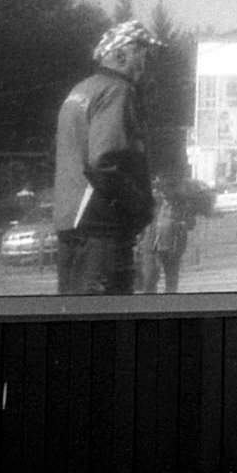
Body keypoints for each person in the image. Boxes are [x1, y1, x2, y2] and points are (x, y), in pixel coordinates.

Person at [52, 20, 160, 297]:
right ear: (120, 54)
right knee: (106, 319)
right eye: (142, 53)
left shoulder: (80, 91)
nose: (145, 64)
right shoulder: (117, 90)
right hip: (101, 226)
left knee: (73, 314)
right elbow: (104, 162)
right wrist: (142, 205)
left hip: (70, 222)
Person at [140, 177, 195, 293]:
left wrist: (182, 224)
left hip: (173, 248)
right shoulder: (154, 203)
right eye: (161, 188)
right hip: (152, 246)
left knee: (171, 281)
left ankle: (169, 307)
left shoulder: (182, 205)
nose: (164, 192)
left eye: (167, 188)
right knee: (149, 278)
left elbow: (191, 223)